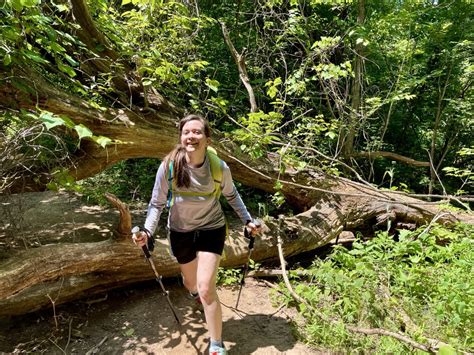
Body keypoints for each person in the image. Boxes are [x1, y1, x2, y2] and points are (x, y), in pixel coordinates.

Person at [132, 114, 260, 355]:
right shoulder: (169, 166)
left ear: (207, 138)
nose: (191, 136)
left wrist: (248, 221)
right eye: (186, 132)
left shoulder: (219, 167)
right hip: (180, 231)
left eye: (197, 132)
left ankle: (216, 344)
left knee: (205, 287)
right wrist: (148, 231)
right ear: (181, 138)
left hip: (212, 228)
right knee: (191, 284)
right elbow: (156, 203)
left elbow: (232, 196)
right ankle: (194, 293)